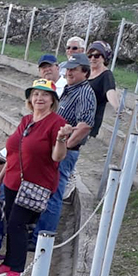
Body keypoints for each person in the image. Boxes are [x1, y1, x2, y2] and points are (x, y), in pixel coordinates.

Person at [0, 79, 71, 276]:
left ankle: (17, 271)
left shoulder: (56, 123)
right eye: (35, 94)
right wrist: (0, 179)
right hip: (12, 181)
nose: (39, 98)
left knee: (18, 224)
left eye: (44, 94)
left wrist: (61, 139)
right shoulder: (26, 120)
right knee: (10, 223)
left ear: (53, 100)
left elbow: (58, 157)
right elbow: (14, 152)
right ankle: (9, 263)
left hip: (36, 185)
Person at [32, 52, 96, 246]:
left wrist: (64, 147)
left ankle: (43, 239)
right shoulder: (71, 89)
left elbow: (85, 125)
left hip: (65, 152)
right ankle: (38, 235)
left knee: (54, 194)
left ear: (85, 72)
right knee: (49, 192)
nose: (69, 72)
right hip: (58, 149)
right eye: (68, 69)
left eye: (74, 70)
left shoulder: (84, 92)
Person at [87, 40, 119, 137]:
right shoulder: (86, 72)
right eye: (90, 56)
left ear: (104, 58)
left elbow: (110, 91)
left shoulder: (106, 75)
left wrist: (117, 106)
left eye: (97, 56)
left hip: (89, 121)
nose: (93, 58)